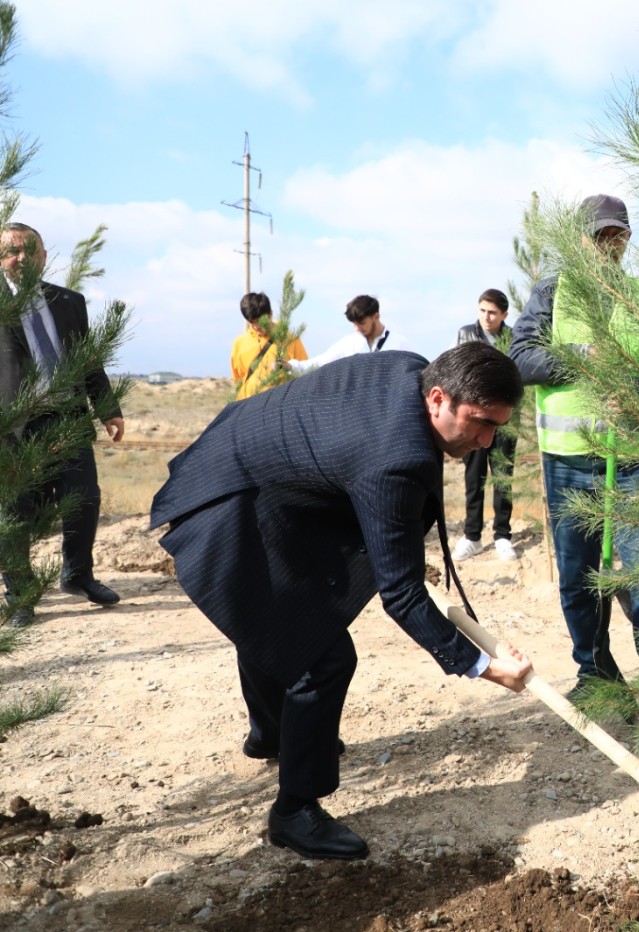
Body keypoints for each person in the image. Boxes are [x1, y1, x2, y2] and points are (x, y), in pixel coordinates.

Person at [149, 344, 532, 860]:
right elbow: (401, 595)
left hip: (257, 479)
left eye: (496, 429)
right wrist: (482, 665)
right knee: (321, 658)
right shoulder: (395, 456)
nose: (485, 441)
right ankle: (294, 812)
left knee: (271, 620)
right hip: (230, 500)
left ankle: (271, 736)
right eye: (479, 422)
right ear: (438, 397)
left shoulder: (409, 369)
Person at [509, 194, 639, 693]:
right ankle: (595, 671)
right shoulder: (553, 293)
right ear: (579, 239)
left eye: (616, 235)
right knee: (579, 575)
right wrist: (582, 355)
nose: (608, 245)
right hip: (570, 462)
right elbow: (520, 358)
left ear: (626, 240)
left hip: (634, 462)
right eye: (598, 235)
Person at [0, 222, 125, 620]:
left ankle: (77, 574)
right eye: (10, 251)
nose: (20, 258)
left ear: (43, 256)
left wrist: (108, 408)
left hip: (67, 421)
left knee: (84, 498)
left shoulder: (70, 302)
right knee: (17, 510)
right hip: (14, 428)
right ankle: (20, 595)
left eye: (28, 250)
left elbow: (90, 362)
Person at [454, 289, 518, 562]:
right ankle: (472, 537)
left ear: (504, 314)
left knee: (503, 476)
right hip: (474, 419)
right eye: (482, 310)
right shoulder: (466, 333)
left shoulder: (513, 337)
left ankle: (502, 535)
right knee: (474, 477)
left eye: (492, 312)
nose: (486, 317)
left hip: (504, 419)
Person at [287, 295, 411, 373]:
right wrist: (291, 366)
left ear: (376, 316)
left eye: (361, 323)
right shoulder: (349, 344)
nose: (357, 328)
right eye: (354, 324)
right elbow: (320, 363)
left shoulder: (400, 343)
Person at [231, 292, 308, 400]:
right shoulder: (239, 343)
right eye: (251, 322)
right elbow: (238, 381)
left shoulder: (290, 340)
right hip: (249, 408)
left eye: (260, 320)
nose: (256, 326)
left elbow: (304, 372)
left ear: (270, 314)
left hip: (280, 406)